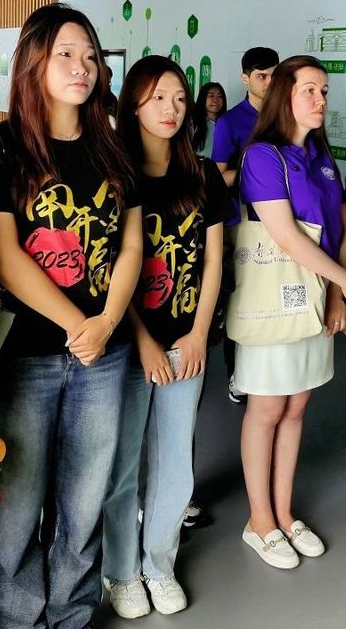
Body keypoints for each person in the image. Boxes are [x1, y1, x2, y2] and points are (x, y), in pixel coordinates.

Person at [0, 3, 142, 629]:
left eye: (90, 55)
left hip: (104, 355)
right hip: (22, 357)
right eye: (66, 53)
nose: (81, 66)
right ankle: (16, 620)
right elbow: (0, 252)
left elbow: (130, 245)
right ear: (33, 62)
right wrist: (78, 324)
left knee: (85, 500)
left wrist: (106, 323)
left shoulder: (113, 149)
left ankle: (72, 615)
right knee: (16, 507)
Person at [102, 55, 227, 618]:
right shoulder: (115, 173)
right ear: (133, 104)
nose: (171, 109)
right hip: (129, 346)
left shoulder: (202, 173)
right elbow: (109, 267)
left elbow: (213, 260)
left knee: (176, 463)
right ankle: (121, 570)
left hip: (186, 341)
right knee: (123, 462)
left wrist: (198, 333)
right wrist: (144, 340)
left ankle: (158, 563)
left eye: (179, 98)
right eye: (157, 98)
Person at [236, 55, 346, 569]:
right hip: (275, 298)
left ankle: (284, 513)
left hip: (318, 297)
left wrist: (335, 291)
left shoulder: (323, 158)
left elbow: (343, 229)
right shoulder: (262, 156)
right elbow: (285, 236)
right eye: (309, 89)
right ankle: (259, 521)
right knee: (266, 410)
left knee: (295, 409)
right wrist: (344, 279)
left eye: (324, 91)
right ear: (284, 94)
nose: (320, 100)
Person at [211, 46, 279, 403]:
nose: (269, 82)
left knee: (274, 300)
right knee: (242, 302)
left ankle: (270, 374)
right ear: (245, 78)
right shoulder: (230, 122)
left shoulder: (287, 115)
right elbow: (218, 177)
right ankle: (237, 375)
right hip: (243, 224)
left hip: (281, 223)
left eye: (274, 75)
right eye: (261, 76)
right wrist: (257, 173)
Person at [192, 81, 226, 156]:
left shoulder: (228, 124)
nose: (215, 100)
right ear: (203, 98)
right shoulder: (192, 124)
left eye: (220, 96)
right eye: (211, 96)